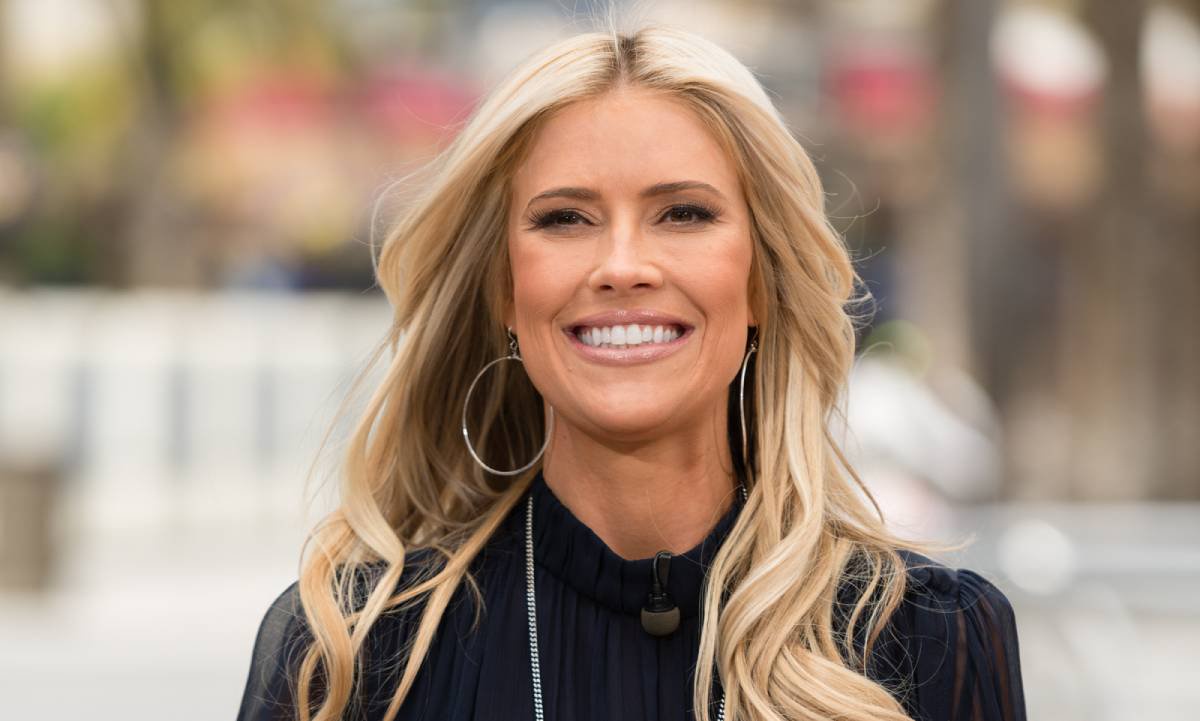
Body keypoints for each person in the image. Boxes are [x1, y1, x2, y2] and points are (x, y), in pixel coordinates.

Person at [236, 24, 1026, 721]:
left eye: (683, 213)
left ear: (760, 279)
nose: (622, 265)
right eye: (565, 218)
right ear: (505, 287)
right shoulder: (353, 653)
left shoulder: (930, 639)